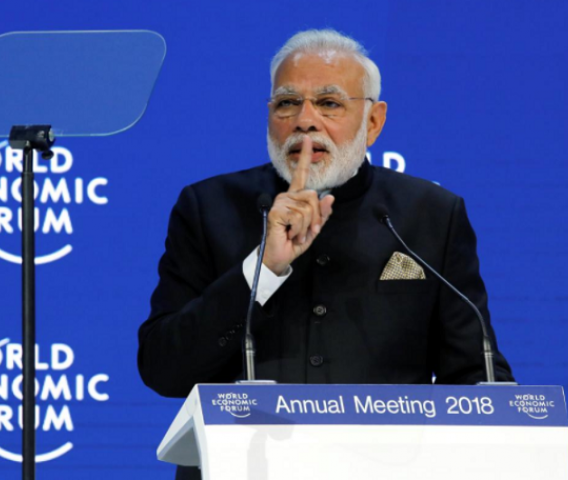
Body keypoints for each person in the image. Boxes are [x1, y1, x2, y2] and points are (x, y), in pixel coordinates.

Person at [138, 29, 514, 479]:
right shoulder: (209, 208)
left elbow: (475, 376)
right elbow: (163, 369)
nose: (304, 120)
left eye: (329, 103)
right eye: (286, 103)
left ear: (373, 122)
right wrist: (263, 269)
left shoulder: (429, 216)